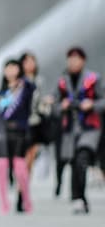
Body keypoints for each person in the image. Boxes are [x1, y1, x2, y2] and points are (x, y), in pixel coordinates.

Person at [54, 47, 104, 214]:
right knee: (74, 162)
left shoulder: (94, 79)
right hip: (69, 128)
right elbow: (54, 104)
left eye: (77, 59)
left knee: (82, 157)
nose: (73, 62)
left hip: (89, 127)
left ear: (83, 61)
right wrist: (62, 106)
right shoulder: (63, 80)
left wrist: (92, 104)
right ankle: (77, 198)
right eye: (71, 59)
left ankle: (80, 197)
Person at [0, 60, 35, 214]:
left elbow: (32, 88)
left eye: (13, 67)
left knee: (20, 168)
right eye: (7, 67)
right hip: (3, 133)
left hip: (20, 132)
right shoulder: (2, 92)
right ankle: (4, 203)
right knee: (1, 166)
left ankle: (26, 199)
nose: (10, 70)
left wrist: (21, 82)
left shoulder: (25, 88)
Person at [17, 52, 52, 211]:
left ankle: (23, 191)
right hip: (21, 124)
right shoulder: (18, 82)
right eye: (26, 61)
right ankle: (20, 190)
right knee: (22, 159)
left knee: (30, 159)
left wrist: (46, 104)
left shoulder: (39, 81)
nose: (29, 64)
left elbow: (42, 102)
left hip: (36, 122)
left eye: (32, 61)